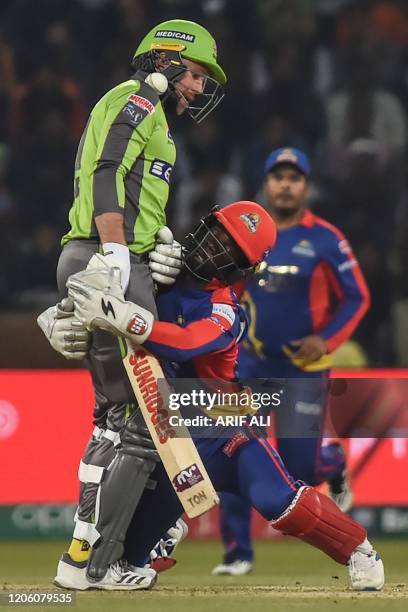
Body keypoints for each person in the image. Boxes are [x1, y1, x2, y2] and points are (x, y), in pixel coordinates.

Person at [63, 200, 384, 593]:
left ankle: (360, 550)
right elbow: (86, 302)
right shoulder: (159, 267)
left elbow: (183, 344)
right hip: (173, 444)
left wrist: (122, 314)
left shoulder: (226, 310)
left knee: (278, 502)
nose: (210, 249)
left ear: (240, 270)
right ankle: (169, 526)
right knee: (122, 563)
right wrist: (62, 326)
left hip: (224, 430)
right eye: (214, 235)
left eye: (226, 250)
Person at [44, 18, 227, 590]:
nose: (198, 89)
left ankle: (82, 559)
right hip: (106, 259)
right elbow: (106, 172)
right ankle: (97, 564)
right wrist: (120, 251)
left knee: (116, 421)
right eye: (195, 74)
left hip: (107, 256)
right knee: (141, 426)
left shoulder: (153, 118)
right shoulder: (137, 100)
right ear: (167, 61)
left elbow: (127, 188)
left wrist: (156, 242)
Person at [212, 147, 370, 576]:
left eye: (294, 178)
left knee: (300, 467)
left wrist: (327, 339)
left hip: (303, 371)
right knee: (232, 450)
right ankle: (237, 553)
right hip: (248, 366)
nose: (285, 184)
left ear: (305, 186)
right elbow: (225, 291)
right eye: (278, 176)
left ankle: (332, 465)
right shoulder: (247, 237)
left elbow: (358, 297)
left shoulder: (325, 238)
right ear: (265, 184)